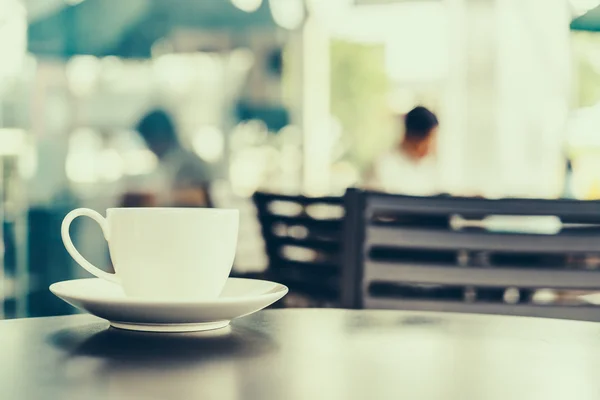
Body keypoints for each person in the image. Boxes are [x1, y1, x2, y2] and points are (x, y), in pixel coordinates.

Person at [124, 109, 212, 207]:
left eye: (149, 142)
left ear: (159, 137)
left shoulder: (186, 162)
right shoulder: (171, 161)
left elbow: (199, 196)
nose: (150, 148)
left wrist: (155, 198)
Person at [368, 106, 440, 196]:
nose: (432, 147)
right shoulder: (383, 167)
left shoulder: (428, 170)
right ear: (415, 138)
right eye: (430, 140)